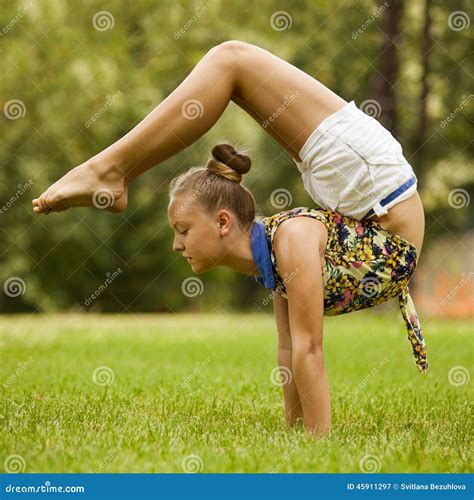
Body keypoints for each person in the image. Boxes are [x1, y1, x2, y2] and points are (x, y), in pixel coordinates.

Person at [31, 40, 424, 256]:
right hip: (371, 188)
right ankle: (110, 171)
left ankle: (110, 172)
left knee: (230, 61)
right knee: (230, 66)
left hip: (371, 185)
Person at [167, 143, 428, 437]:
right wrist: (294, 431)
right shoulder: (272, 255)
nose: (176, 245)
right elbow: (288, 349)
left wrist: (317, 441)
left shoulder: (291, 239)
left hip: (398, 244)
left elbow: (310, 349)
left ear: (222, 222)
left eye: (183, 230)